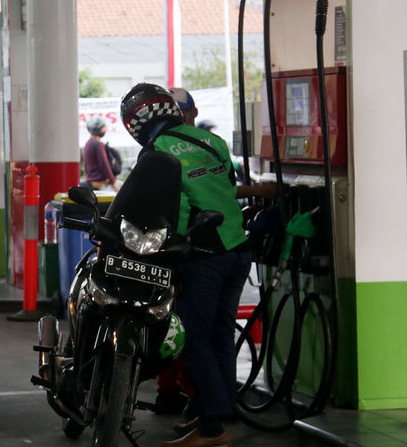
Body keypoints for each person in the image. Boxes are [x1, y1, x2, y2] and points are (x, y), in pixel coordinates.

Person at [120, 83, 270, 447]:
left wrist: (171, 261)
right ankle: (212, 418)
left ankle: (212, 431)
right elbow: (224, 189)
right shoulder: (211, 142)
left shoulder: (156, 153)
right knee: (219, 335)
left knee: (192, 339)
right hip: (237, 249)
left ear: (136, 123)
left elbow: (172, 211)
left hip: (202, 256)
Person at [82, 116, 120, 191]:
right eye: (103, 128)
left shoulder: (88, 144)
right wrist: (113, 182)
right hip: (101, 184)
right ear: (97, 129)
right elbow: (104, 164)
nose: (104, 129)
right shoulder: (98, 144)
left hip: (92, 182)